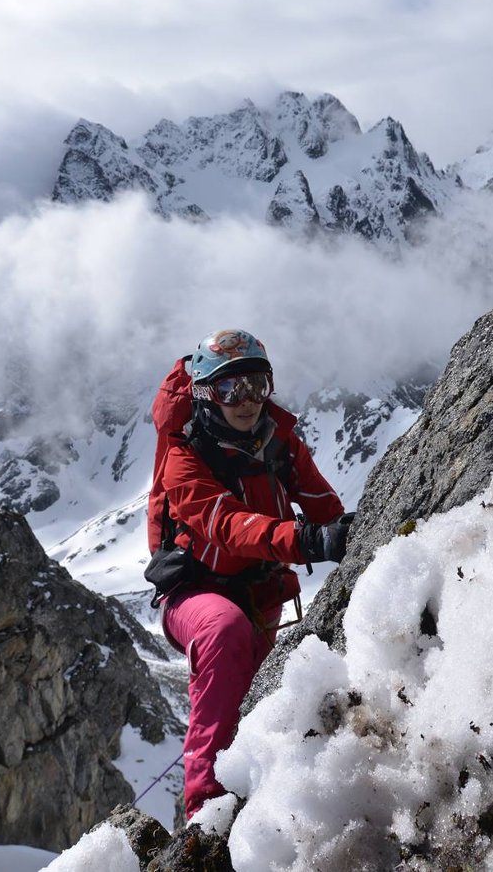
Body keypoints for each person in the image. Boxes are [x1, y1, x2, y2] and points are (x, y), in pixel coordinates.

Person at [151, 328, 354, 818]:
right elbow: (224, 525)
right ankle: (205, 811)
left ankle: (264, 810)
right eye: (229, 389)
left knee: (261, 702)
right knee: (224, 633)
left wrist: (347, 531)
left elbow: (324, 504)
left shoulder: (280, 443)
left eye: (256, 386)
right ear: (205, 394)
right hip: (194, 595)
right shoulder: (183, 457)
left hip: (261, 597)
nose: (246, 401)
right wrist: (303, 540)